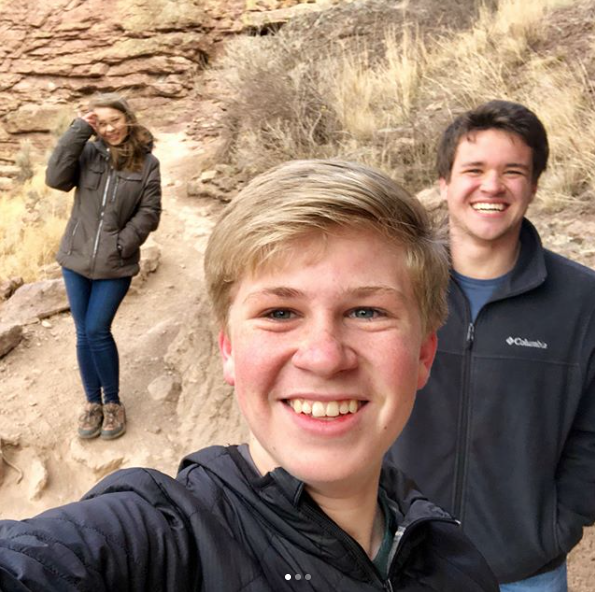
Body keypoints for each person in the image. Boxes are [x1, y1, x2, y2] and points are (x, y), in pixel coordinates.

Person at [0, 160, 498, 591]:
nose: (325, 357)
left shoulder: (455, 559)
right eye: (280, 312)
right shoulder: (158, 542)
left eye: (366, 311)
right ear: (228, 349)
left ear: (423, 354)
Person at [387, 100, 595, 591]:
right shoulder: (396, 287)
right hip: (397, 564)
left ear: (534, 185)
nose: (492, 186)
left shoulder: (582, 300)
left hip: (526, 573)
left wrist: (556, 524)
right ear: (444, 182)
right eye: (474, 169)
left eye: (513, 171)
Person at [45, 93, 162, 440]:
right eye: (102, 122)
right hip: (76, 259)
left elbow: (149, 212)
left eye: (116, 120)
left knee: (96, 329)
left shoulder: (147, 163)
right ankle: (91, 403)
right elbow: (55, 178)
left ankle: (112, 403)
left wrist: (122, 243)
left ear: (128, 118)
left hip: (116, 263)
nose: (110, 128)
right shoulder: (87, 153)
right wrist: (79, 128)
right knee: (83, 333)